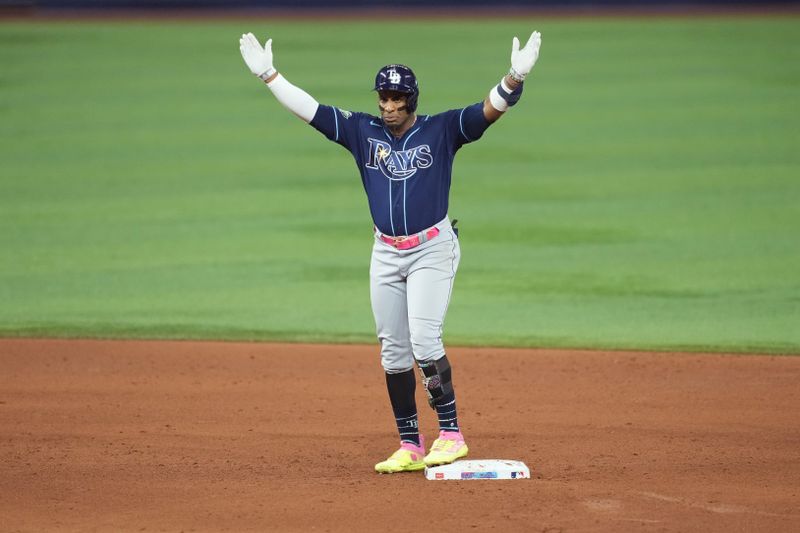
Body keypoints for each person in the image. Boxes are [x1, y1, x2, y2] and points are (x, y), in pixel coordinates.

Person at [239, 30, 542, 473]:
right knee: (393, 352)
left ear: (411, 99)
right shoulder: (362, 132)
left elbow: (486, 113)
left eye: (397, 97)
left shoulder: (441, 130)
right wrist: (269, 75)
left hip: (431, 249)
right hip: (385, 252)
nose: (388, 104)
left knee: (424, 338)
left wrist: (514, 78)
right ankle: (410, 444)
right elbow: (312, 111)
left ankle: (452, 434)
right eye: (384, 96)